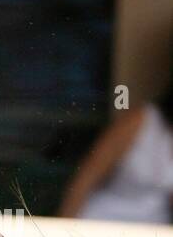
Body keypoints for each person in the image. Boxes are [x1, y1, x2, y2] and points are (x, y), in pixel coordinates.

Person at [60, 83, 173, 223]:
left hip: (151, 231)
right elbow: (86, 176)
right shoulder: (140, 121)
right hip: (103, 220)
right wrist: (65, 226)